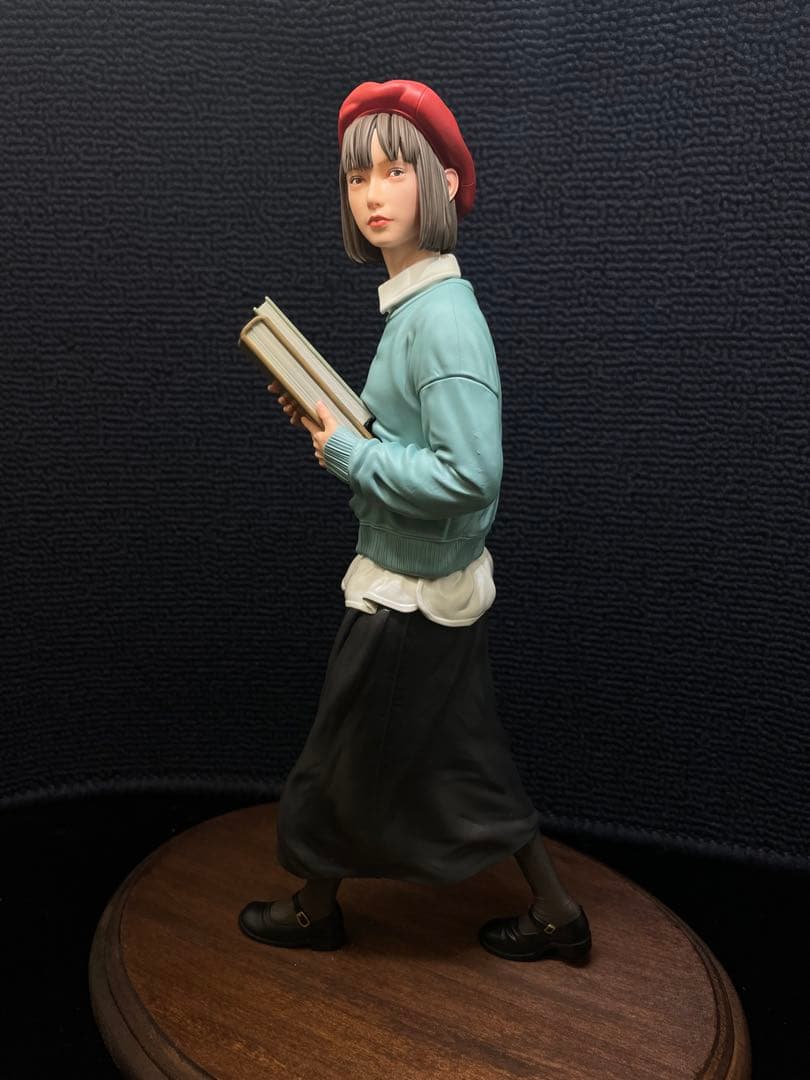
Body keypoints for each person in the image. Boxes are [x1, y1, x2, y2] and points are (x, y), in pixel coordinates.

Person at [238, 79, 591, 964]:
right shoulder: (416, 309)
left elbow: (470, 475)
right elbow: (419, 446)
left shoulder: (441, 320)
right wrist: (340, 426)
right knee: (460, 759)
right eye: (359, 177)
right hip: (419, 577)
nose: (374, 194)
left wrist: (350, 454)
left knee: (342, 754)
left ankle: (317, 907)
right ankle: (554, 911)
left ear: (441, 184)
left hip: (411, 591)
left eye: (397, 171)